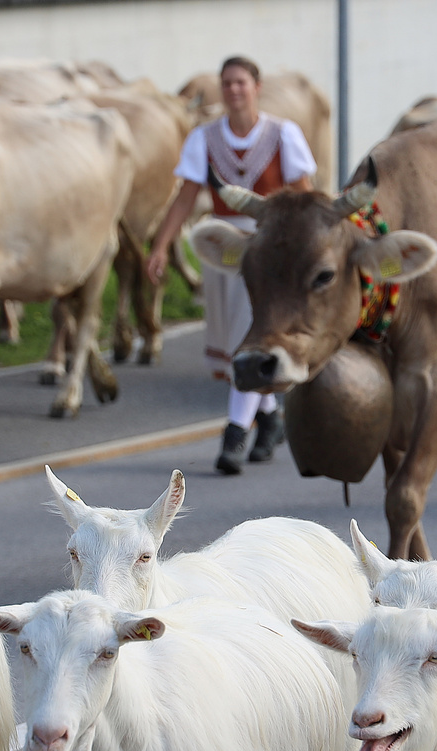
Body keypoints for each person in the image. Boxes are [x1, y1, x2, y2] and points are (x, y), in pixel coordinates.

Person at [145, 56, 316, 476]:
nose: (234, 90)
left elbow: (304, 195)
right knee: (233, 332)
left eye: (241, 82)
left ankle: (236, 432)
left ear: (257, 87)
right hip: (223, 247)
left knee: (248, 335)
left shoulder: (282, 133)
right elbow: (185, 196)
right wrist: (162, 245)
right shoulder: (204, 138)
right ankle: (272, 418)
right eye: (227, 83)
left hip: (270, 249)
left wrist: (306, 247)